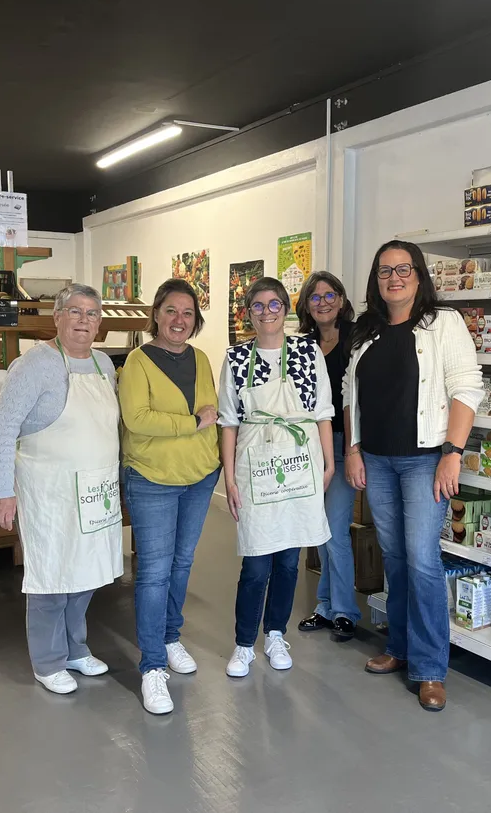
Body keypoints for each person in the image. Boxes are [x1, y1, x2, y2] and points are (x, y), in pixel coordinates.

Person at [343, 240, 482, 711]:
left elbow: (466, 387)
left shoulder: (444, 324)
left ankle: (429, 668)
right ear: (375, 280)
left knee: (422, 560)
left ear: (419, 276)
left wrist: (453, 452)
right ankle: (399, 648)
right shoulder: (366, 330)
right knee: (395, 558)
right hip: (377, 460)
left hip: (425, 459)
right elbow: (349, 397)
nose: (394, 278)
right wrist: (353, 448)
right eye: (385, 271)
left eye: (403, 269)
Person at [0, 284, 124, 695]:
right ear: (57, 317)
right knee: (51, 575)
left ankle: (75, 649)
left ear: (100, 322)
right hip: (48, 491)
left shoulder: (103, 364)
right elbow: (1, 426)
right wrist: (1, 491)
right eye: (76, 312)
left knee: (87, 572)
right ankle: (47, 662)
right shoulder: (35, 365)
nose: (84, 321)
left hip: (94, 489)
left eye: (92, 314)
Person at [218, 277, 335, 678]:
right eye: (258, 306)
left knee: (288, 560)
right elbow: (229, 422)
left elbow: (323, 410)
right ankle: (244, 643)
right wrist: (230, 478)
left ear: (286, 309)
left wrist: (330, 463)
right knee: (255, 562)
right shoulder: (235, 358)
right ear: (248, 313)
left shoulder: (306, 350)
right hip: (255, 466)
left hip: (300, 461)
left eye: (274, 304)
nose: (267, 312)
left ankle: (275, 634)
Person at [119, 279, 221, 715]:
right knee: (155, 572)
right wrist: (191, 423)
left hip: (199, 475)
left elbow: (212, 410)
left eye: (187, 313)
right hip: (152, 478)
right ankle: (152, 668)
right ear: (156, 315)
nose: (179, 320)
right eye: (171, 311)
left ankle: (170, 636)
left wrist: (198, 427)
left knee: (182, 563)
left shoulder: (200, 358)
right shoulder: (136, 363)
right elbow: (138, 420)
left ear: (195, 320)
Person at [293, 272, 360, 641]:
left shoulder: (357, 338)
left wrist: (354, 449)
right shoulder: (303, 346)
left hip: (342, 443)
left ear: (341, 298)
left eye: (329, 294)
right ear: (306, 305)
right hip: (309, 446)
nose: (322, 302)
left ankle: (346, 610)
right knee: (320, 529)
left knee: (334, 531)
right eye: (314, 297)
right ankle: (325, 606)